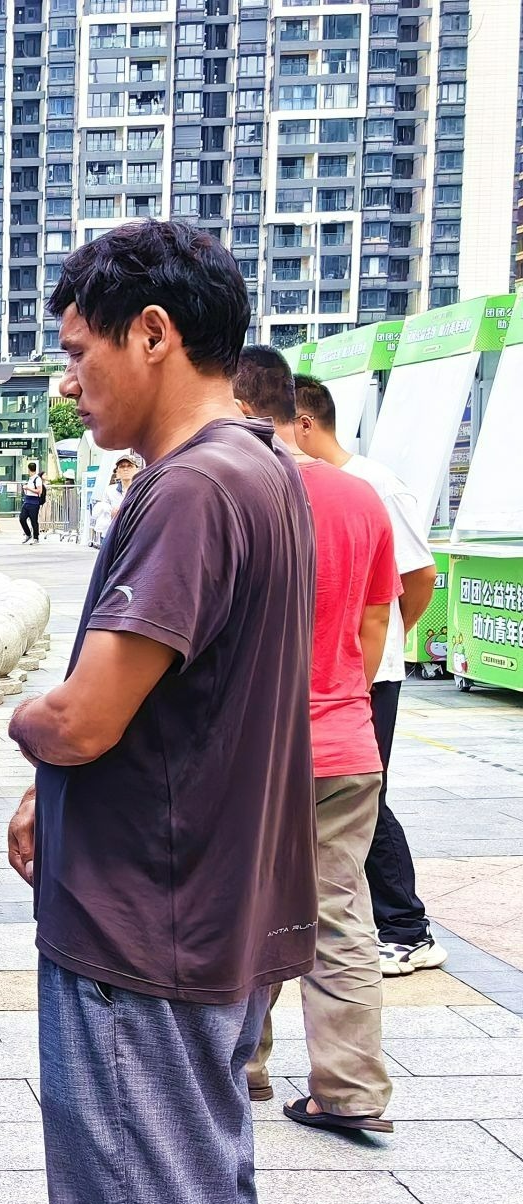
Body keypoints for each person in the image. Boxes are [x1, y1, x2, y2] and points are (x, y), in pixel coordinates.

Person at [7, 221, 315, 1204]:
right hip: (218, 917)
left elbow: (86, 717)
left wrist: (32, 730)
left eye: (80, 354)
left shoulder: (187, 488)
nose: (69, 382)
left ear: (155, 333)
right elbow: (180, 706)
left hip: (145, 931)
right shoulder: (262, 467)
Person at [234, 349, 399, 1136]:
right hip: (348, 742)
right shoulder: (360, 498)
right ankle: (351, 1089)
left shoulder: (239, 490)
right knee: (340, 913)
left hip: (260, 747)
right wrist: (338, 697)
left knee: (241, 906)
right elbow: (377, 622)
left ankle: (246, 1067)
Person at [293, 374, 446, 977]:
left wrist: (373, 648)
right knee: (356, 797)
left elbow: (419, 576)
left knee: (363, 797)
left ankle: (408, 928)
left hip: (369, 675)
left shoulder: (375, 485)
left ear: (305, 422)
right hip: (346, 669)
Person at [89, 455, 139, 546]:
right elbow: (102, 512)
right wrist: (111, 512)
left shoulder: (141, 489)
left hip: (135, 535)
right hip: (113, 534)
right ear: (117, 472)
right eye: (122, 466)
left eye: (130, 466)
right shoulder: (110, 491)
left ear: (136, 470)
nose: (126, 469)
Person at [18, 460, 46, 542]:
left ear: (29, 469)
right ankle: (28, 534)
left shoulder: (37, 479)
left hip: (34, 502)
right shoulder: (30, 479)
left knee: (34, 520)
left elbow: (39, 491)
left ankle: (36, 537)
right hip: (27, 501)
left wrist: (28, 488)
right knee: (22, 518)